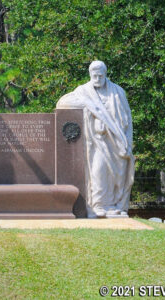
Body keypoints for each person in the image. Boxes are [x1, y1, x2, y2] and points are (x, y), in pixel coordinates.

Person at [57, 61, 134, 218]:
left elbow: (127, 120)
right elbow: (62, 103)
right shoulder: (83, 91)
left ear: (105, 74)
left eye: (100, 76)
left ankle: (114, 206)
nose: (97, 78)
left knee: (117, 176)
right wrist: (89, 107)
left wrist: (127, 141)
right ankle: (98, 205)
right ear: (90, 74)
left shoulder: (117, 93)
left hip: (116, 142)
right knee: (98, 170)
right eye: (94, 76)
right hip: (95, 142)